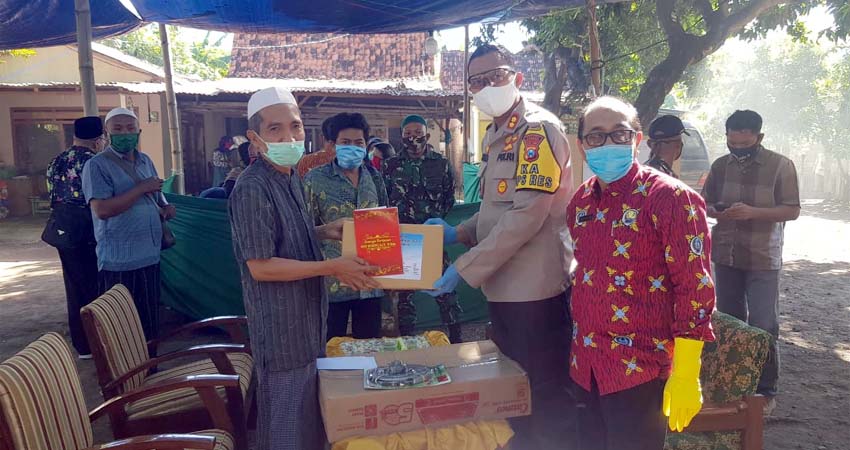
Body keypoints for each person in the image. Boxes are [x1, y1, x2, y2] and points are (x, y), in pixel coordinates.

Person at [424, 44, 574, 449]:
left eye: (496, 76)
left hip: (534, 290)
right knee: (513, 384)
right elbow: (497, 211)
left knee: (541, 389)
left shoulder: (536, 132)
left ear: (517, 78)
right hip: (506, 286)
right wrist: (458, 233)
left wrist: (463, 267)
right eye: (476, 81)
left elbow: (527, 215)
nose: (486, 86)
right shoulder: (500, 133)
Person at [229, 87, 379, 450]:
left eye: (295, 127)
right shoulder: (252, 188)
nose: (289, 137)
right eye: (275, 129)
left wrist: (324, 230)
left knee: (308, 424)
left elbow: (283, 238)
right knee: (286, 427)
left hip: (307, 325)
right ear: (254, 138)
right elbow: (261, 266)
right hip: (282, 333)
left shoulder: (290, 175)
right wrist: (331, 266)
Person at [567, 96, 716, 450]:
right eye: (596, 136)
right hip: (584, 365)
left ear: (637, 139)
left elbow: (694, 288)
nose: (608, 144)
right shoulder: (582, 201)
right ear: (582, 145)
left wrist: (686, 372)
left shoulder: (671, 198)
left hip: (639, 371)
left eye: (619, 134)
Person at [702, 110, 800, 412]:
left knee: (763, 324)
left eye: (745, 144)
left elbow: (792, 210)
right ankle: (731, 384)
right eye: (733, 143)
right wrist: (718, 211)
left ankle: (765, 390)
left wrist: (754, 213)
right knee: (730, 321)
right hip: (726, 254)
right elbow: (704, 205)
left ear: (759, 138)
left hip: (762, 257)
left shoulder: (781, 166)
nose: (738, 149)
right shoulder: (720, 166)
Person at [82, 108, 176, 341]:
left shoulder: (146, 161)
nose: (125, 133)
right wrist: (141, 188)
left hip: (150, 256)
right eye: (118, 129)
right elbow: (102, 210)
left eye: (130, 129)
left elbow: (156, 195)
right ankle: (126, 375)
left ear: (139, 131)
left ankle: (151, 372)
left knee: (149, 323)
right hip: (119, 263)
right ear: (107, 133)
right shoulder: (97, 165)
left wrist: (165, 208)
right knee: (122, 328)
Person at [303, 113, 388, 341]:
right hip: (333, 282)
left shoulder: (374, 177)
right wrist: (326, 231)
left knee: (369, 346)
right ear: (331, 145)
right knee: (331, 345)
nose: (353, 147)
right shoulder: (314, 179)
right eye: (346, 143)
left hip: (370, 280)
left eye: (358, 143)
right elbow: (301, 230)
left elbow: (386, 223)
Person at [384, 115, 461, 342]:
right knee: (405, 295)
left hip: (432, 238)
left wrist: (433, 220)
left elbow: (449, 198)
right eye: (407, 134)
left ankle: (456, 338)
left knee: (445, 290)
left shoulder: (441, 164)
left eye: (417, 133)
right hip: (404, 238)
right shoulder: (390, 166)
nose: (412, 138)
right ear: (401, 137)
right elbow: (385, 198)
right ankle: (408, 340)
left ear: (427, 136)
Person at [45, 116, 106, 358]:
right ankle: (98, 341)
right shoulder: (95, 162)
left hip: (62, 230)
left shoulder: (56, 161)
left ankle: (82, 345)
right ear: (98, 139)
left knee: (74, 286)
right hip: (88, 230)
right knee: (96, 286)